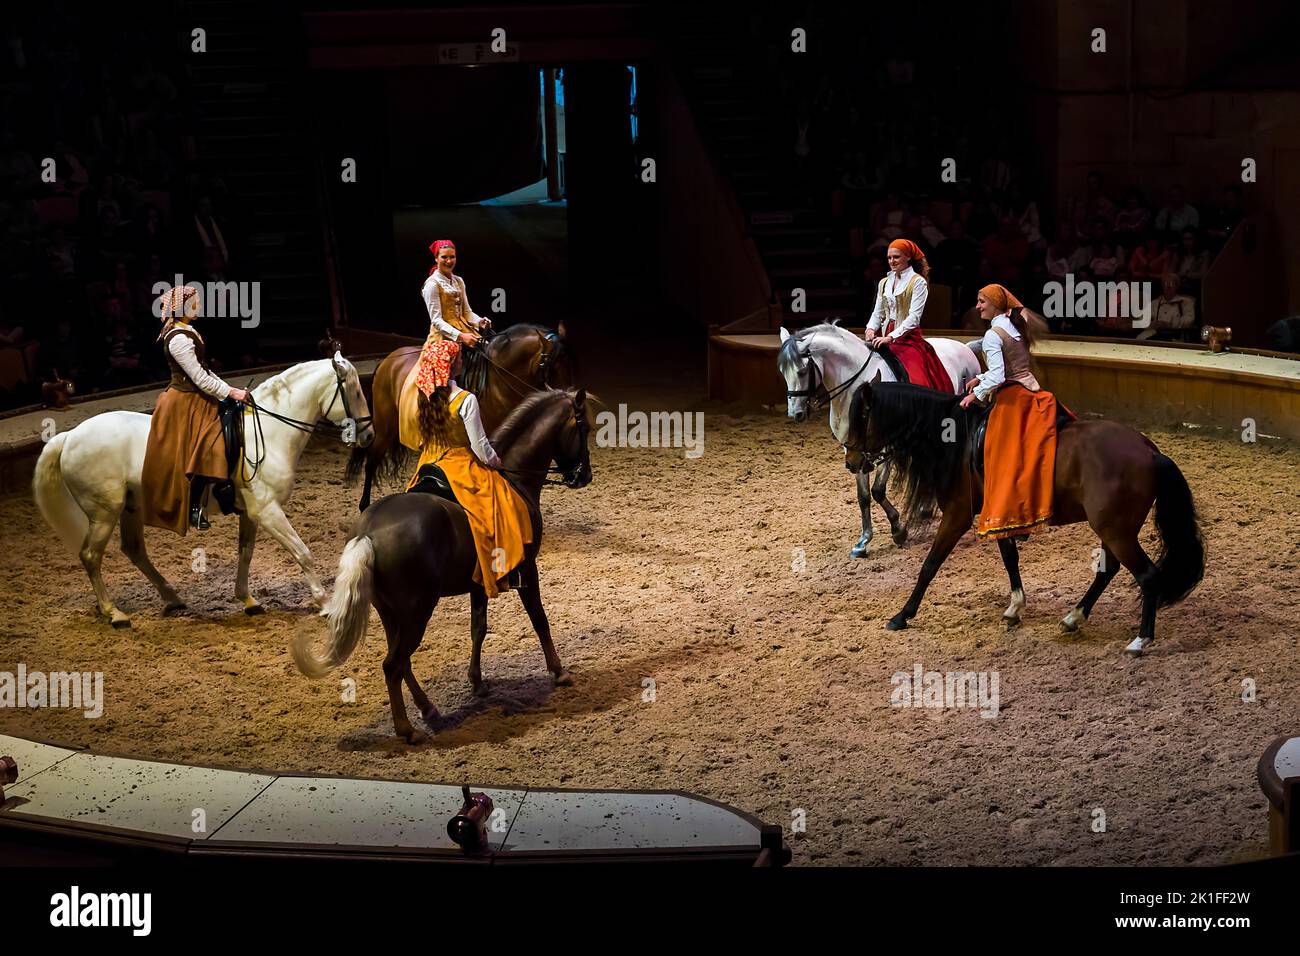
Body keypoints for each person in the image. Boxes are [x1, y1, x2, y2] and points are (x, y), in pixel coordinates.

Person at [407, 340, 533, 599]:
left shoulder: (425, 395)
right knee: (506, 505)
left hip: (429, 463)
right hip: (461, 465)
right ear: (452, 366)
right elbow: (480, 447)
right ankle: (504, 570)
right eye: (459, 359)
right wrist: (496, 463)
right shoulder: (466, 400)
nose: (462, 361)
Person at [960, 284, 1070, 539]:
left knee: (999, 452)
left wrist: (974, 395)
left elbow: (1000, 375)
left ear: (996, 305)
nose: (977, 307)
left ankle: (1011, 509)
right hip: (1032, 390)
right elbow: (1010, 366)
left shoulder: (993, 334)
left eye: (981, 302)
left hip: (1012, 398)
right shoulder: (1015, 327)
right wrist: (980, 377)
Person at [140, 285, 249, 533]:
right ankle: (194, 506)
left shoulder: (188, 330)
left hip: (198, 395)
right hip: (184, 401)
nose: (199, 306)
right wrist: (230, 393)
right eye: (195, 302)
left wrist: (229, 388)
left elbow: (205, 370)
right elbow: (198, 378)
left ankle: (225, 489)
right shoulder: (178, 338)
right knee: (208, 439)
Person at [398, 239, 494, 450]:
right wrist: (460, 336)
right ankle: (436, 426)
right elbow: (437, 320)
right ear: (436, 259)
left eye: (452, 257)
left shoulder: (458, 281)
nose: (449, 261)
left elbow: (467, 311)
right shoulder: (432, 284)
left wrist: (479, 321)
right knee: (439, 383)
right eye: (445, 257)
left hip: (465, 331)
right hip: (443, 337)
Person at [864, 238, 953, 392]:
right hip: (884, 334)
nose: (892, 261)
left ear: (908, 257)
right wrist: (870, 329)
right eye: (889, 258)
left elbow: (914, 318)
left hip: (907, 337)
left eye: (896, 257)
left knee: (915, 378)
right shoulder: (884, 282)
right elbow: (877, 312)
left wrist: (891, 337)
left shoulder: (917, 282)